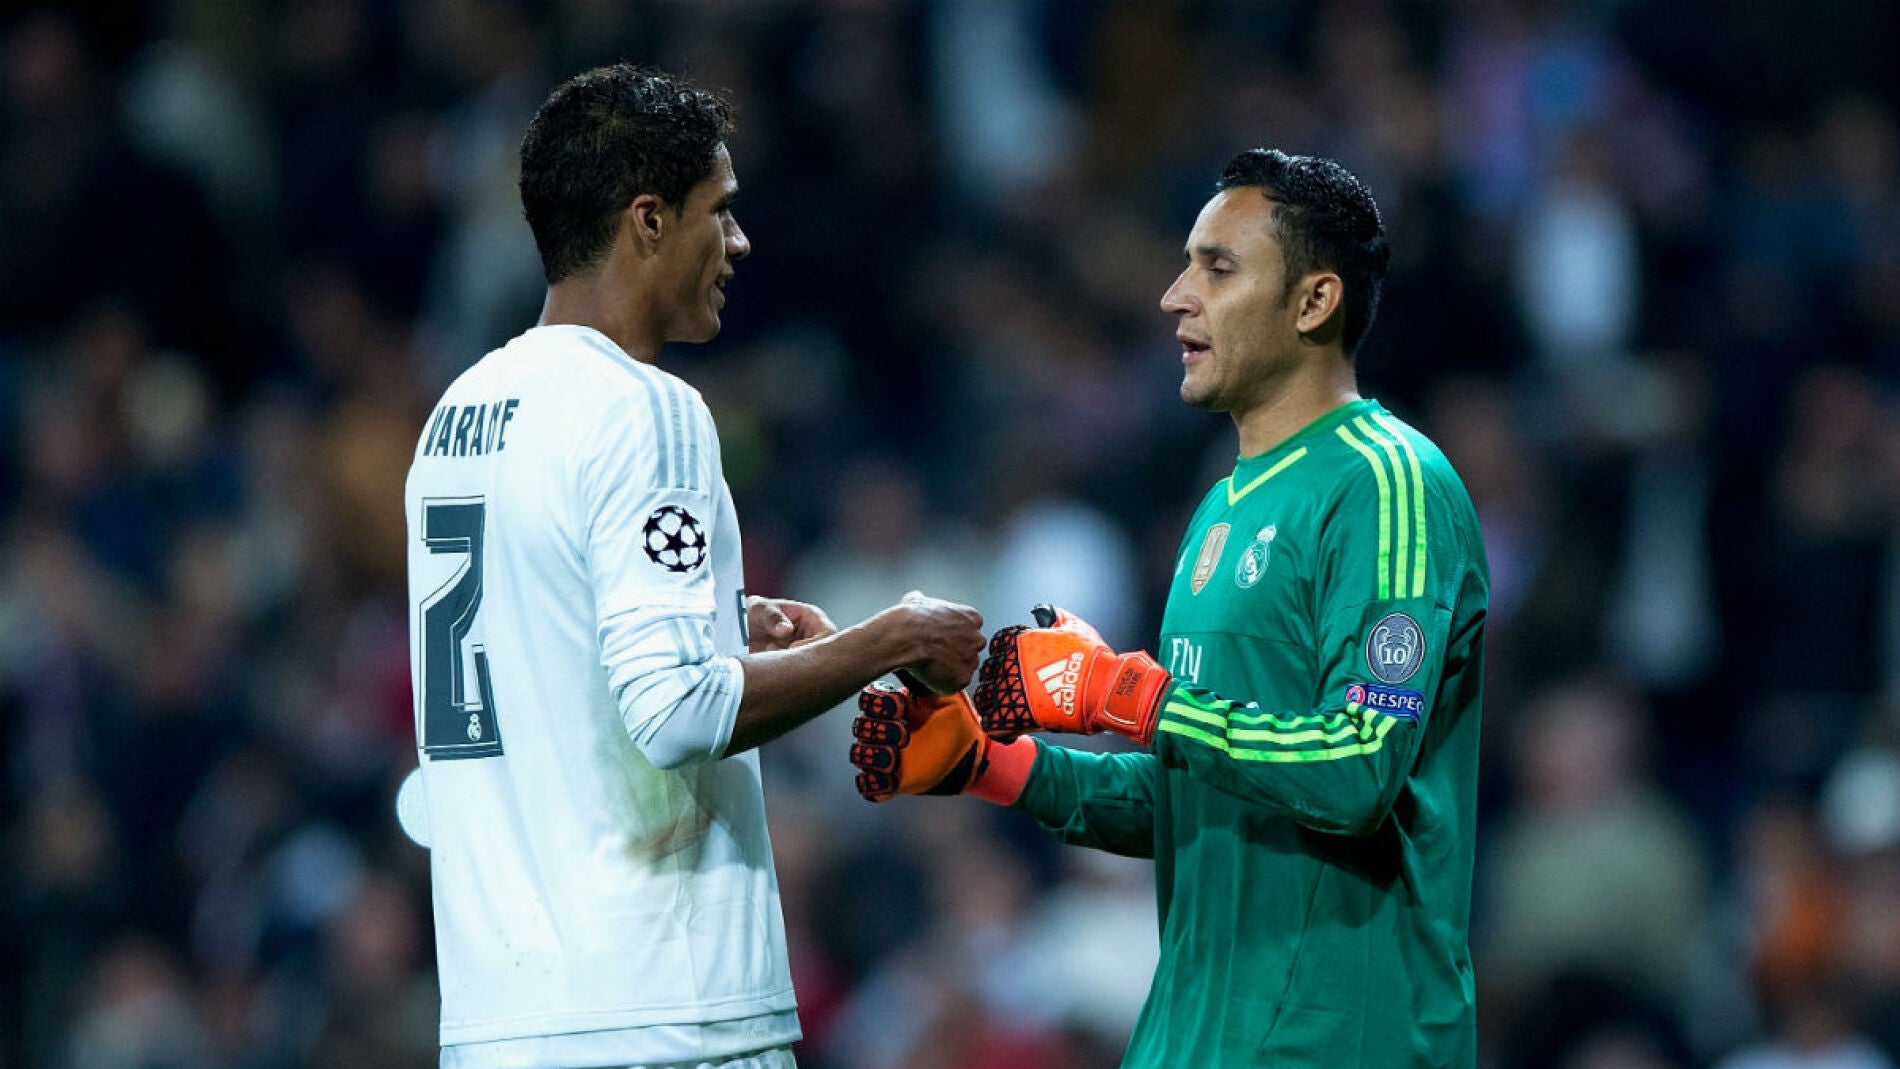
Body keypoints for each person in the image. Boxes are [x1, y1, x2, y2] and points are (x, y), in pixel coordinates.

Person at [850, 149, 1488, 1067]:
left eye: (1217, 268)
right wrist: (994, 764)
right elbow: (1201, 795)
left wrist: (1127, 695)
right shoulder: (1220, 510)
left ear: (1314, 302)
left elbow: (1357, 765)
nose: (1174, 296)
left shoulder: (1389, 484)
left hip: (1337, 1037)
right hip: (1191, 1036)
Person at [404, 65, 986, 1069]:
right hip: (659, 1009)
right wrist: (888, 638)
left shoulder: (458, 416)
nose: (739, 242)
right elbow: (677, 712)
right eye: (719, 210)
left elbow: (546, 633)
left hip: (502, 1022)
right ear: (647, 221)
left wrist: (716, 614)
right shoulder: (645, 409)